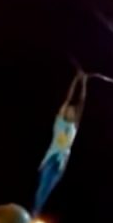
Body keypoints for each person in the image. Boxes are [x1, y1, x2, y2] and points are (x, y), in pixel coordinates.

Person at [33, 72, 88, 215]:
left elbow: (82, 103)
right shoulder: (60, 122)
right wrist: (75, 80)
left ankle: (37, 213)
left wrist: (84, 83)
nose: (71, 112)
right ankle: (34, 212)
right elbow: (68, 98)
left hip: (62, 162)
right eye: (69, 110)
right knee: (41, 188)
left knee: (49, 190)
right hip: (51, 157)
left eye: (73, 112)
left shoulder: (74, 126)